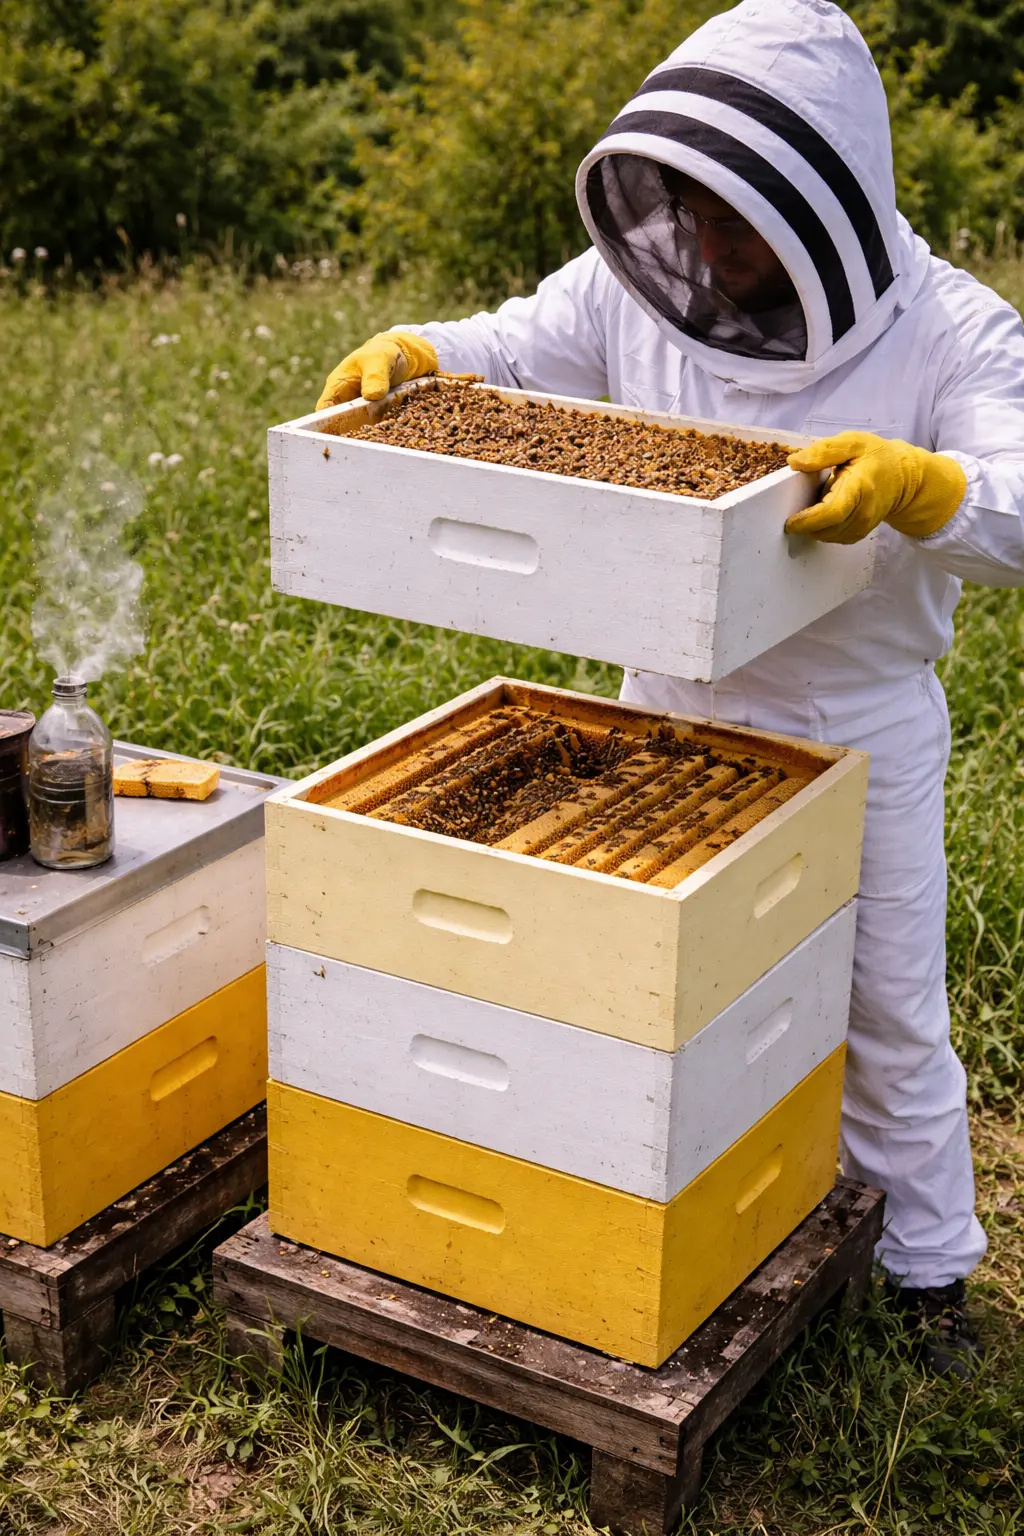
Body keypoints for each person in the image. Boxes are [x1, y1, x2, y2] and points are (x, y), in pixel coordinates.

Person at [317, 0, 1024, 1375]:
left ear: (824, 202)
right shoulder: (636, 292)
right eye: (688, 209)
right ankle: (701, 1216)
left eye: (735, 220)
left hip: (853, 725)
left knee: (884, 1008)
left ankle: (929, 1270)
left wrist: (932, 488)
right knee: (658, 1012)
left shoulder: (954, 332)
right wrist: (428, 354)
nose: (702, 244)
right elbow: (512, 346)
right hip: (661, 708)